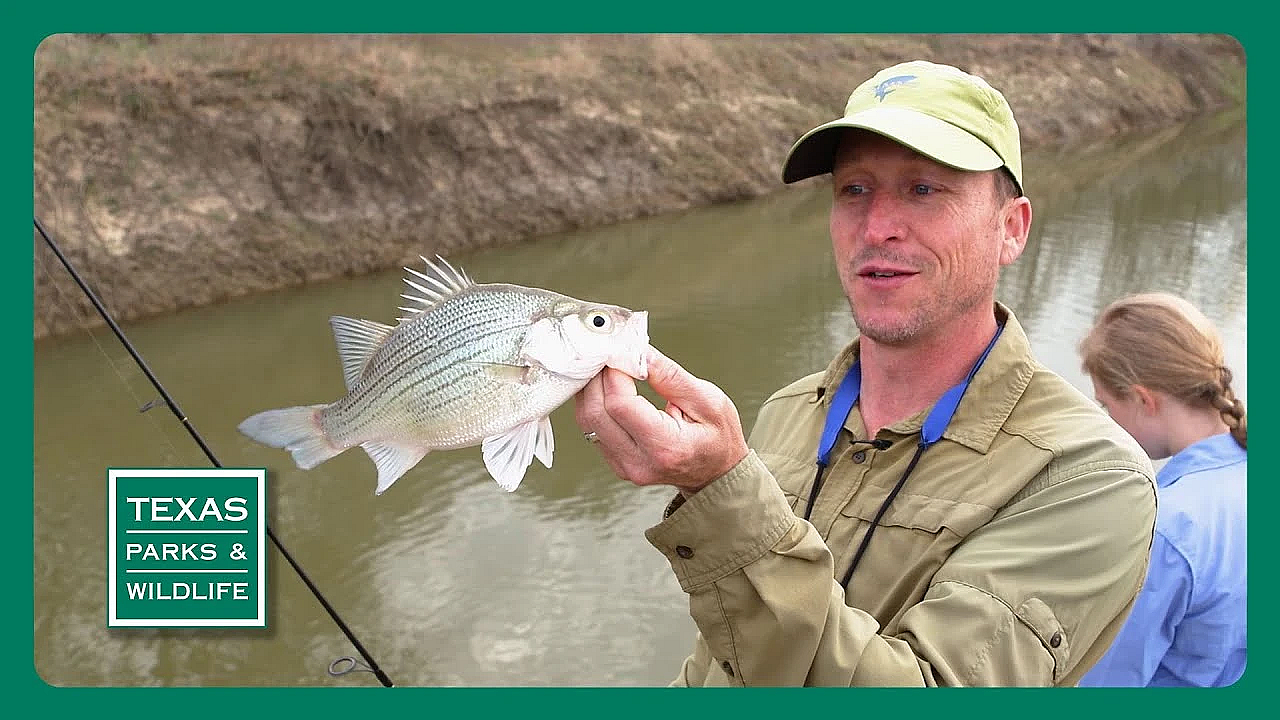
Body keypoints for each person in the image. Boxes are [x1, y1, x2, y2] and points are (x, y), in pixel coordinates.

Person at [574, 60, 1157, 686]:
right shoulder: (785, 414)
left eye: (924, 189)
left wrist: (720, 495)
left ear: (1010, 229)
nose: (877, 228)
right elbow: (720, 666)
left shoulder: (1089, 476)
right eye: (854, 190)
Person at [1076, 293, 1247, 687]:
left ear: (1142, 399)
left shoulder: (1166, 528)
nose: (1108, 421)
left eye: (1106, 406)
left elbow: (1107, 686)